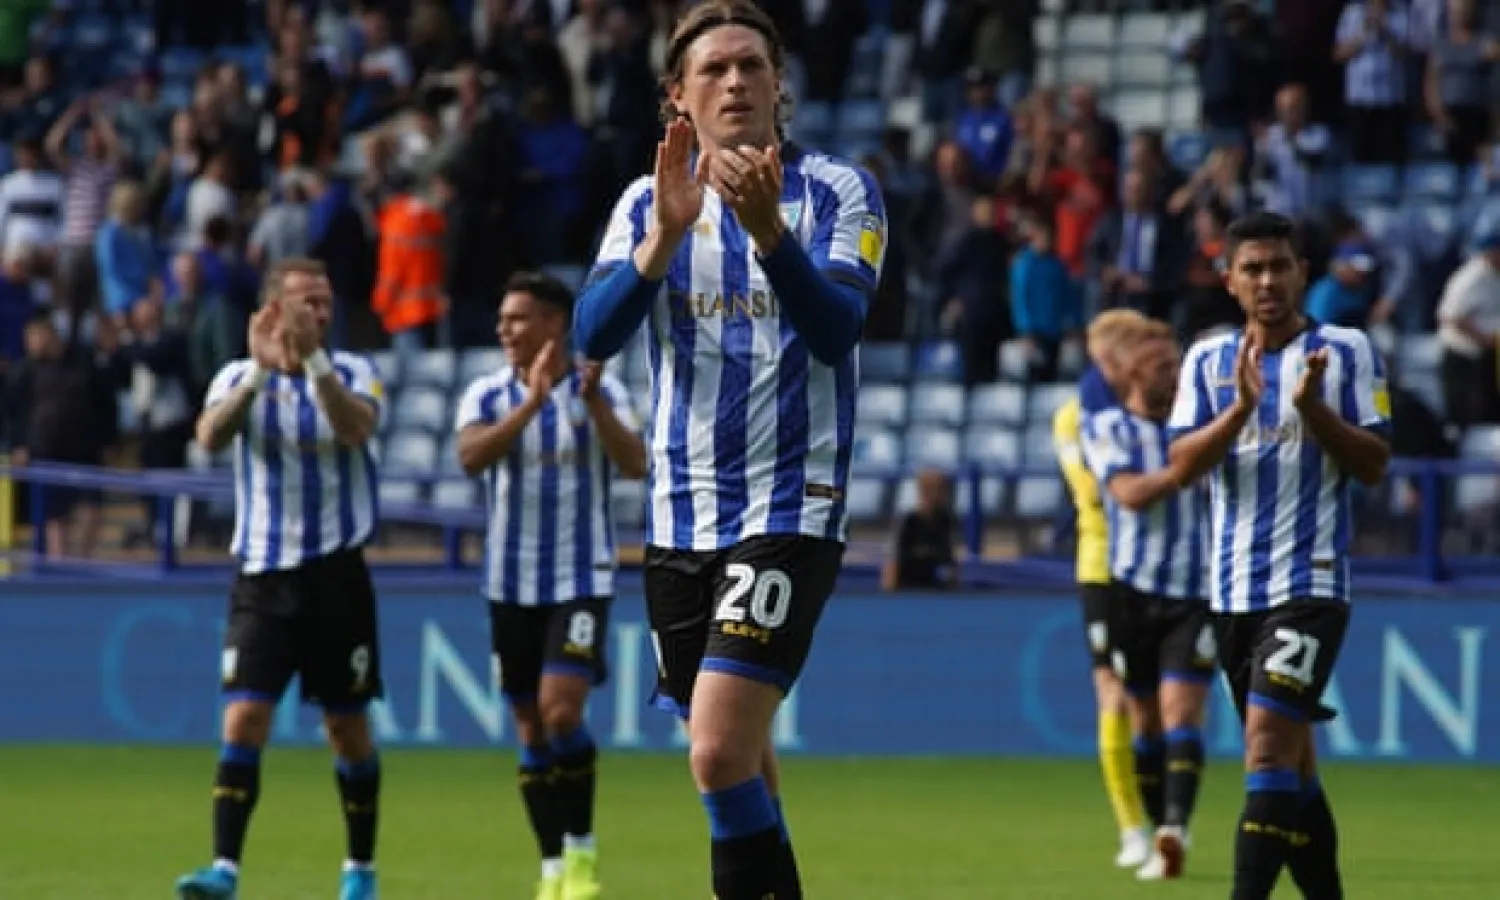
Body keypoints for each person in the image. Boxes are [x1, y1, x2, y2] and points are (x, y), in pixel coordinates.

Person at [571, 1, 887, 896]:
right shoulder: (645, 202)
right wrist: (666, 236)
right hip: (680, 518)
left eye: (753, 65)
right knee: (743, 760)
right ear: (679, 96)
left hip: (791, 506)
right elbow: (589, 336)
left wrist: (771, 237)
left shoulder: (838, 192)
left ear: (780, 83)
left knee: (714, 752)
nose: (737, 81)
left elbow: (837, 330)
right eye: (715, 70)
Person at [1167, 211, 1390, 900]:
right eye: (1253, 269)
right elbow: (1179, 465)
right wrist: (1237, 412)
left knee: (1265, 746)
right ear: (1230, 281)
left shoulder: (1345, 350)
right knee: (1292, 768)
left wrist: (1315, 410)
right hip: (1232, 594)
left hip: (1311, 584)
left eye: (1280, 266)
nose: (1268, 280)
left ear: (1303, 273)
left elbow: (1376, 462)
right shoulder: (1207, 361)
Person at [175, 258, 387, 900]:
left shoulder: (356, 373)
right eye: (302, 303)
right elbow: (210, 437)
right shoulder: (239, 376)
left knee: (346, 729)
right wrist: (264, 369)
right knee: (243, 720)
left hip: (337, 576)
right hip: (263, 577)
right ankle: (224, 870)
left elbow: (355, 428)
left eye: (323, 303)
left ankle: (359, 871)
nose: (316, 314)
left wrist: (314, 361)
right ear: (270, 311)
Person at [453, 271, 646, 900]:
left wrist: (587, 404)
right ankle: (552, 866)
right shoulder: (485, 395)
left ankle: (584, 855)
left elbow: (636, 463)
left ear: (555, 325)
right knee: (531, 728)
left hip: (579, 576)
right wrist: (531, 405)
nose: (505, 330)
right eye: (503, 320)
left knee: (563, 711)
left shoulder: (603, 390)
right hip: (509, 582)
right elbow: (471, 457)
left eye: (518, 318)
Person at [1083, 333, 1215, 882]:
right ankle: (1161, 828)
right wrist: (1183, 471)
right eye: (1164, 366)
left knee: (1182, 709)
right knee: (1144, 716)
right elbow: (1130, 493)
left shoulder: (1197, 429)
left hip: (1195, 594)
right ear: (1136, 375)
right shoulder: (1108, 428)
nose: (1175, 373)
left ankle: (1175, 829)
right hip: (1130, 594)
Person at [1053, 308, 1154, 871]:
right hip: (1103, 567)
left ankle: (1169, 819)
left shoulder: (1164, 412)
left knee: (1160, 705)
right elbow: (1095, 492)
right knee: (1113, 693)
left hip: (1166, 569)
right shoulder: (1072, 418)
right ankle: (1131, 826)